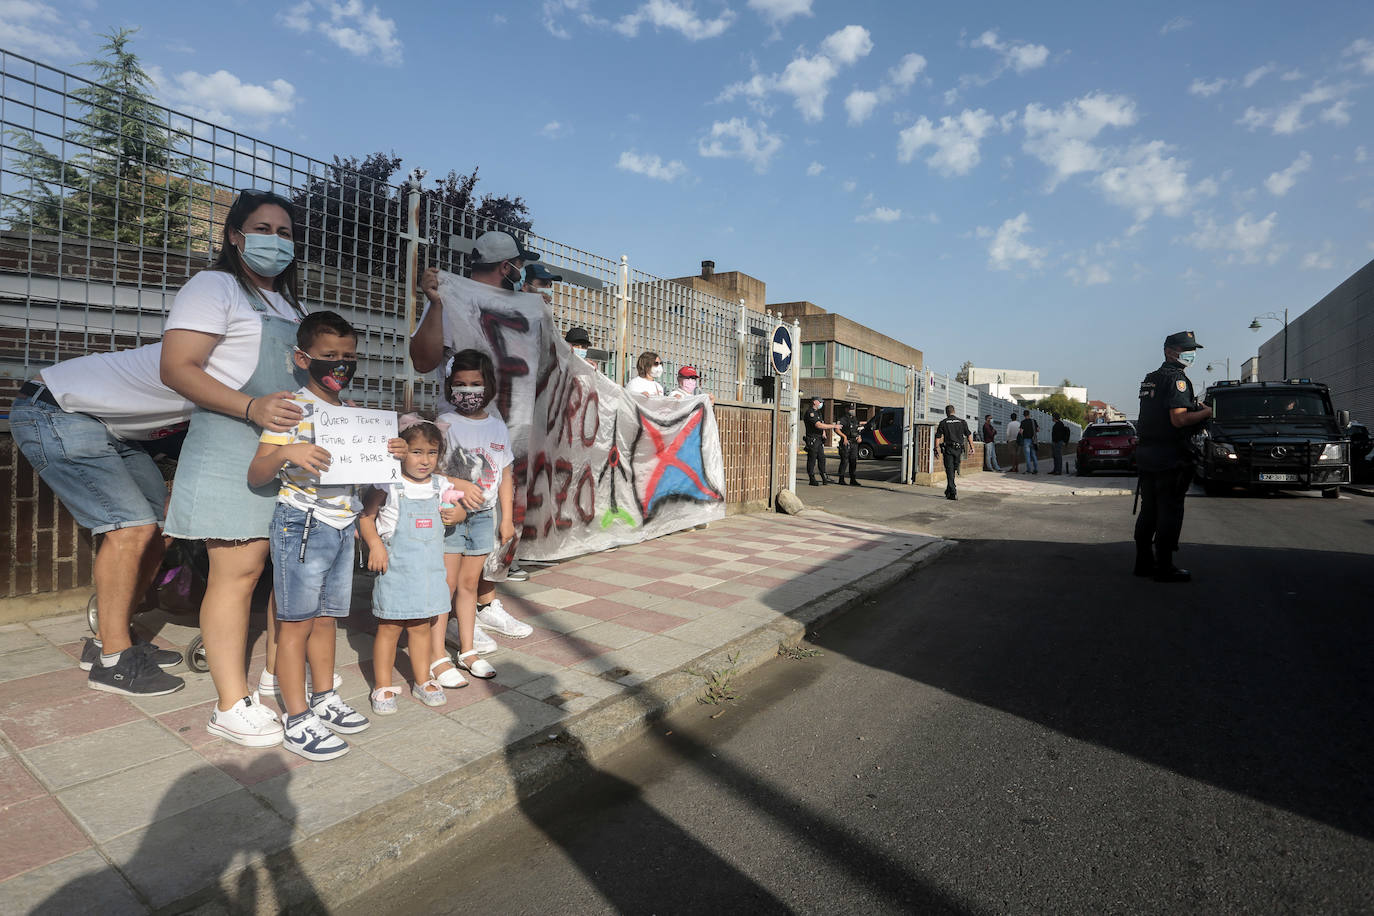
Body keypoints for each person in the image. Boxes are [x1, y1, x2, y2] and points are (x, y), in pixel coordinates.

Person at [160, 189, 313, 749]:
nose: (276, 240)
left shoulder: (293, 308)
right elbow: (177, 367)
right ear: (234, 235)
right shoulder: (215, 287)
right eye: (263, 228)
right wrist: (250, 406)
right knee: (240, 572)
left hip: (285, 450)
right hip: (229, 441)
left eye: (286, 231)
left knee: (286, 567)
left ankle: (276, 673)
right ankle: (229, 702)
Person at [9, 343, 188, 696]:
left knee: (158, 531)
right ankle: (115, 662)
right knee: (131, 528)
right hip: (56, 408)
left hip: (115, 429)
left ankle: (106, 639)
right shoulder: (221, 358)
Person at [246, 310, 371, 761]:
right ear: (303, 359)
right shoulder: (289, 410)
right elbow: (258, 472)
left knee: (327, 619)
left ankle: (324, 697)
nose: (340, 364)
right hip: (301, 524)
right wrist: (287, 453)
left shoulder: (356, 414)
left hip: (342, 525)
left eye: (349, 356)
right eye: (329, 356)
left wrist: (389, 450)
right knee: (295, 622)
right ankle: (296, 716)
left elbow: (372, 473)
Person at [411, 233, 536, 651]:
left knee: (491, 519)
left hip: (501, 426)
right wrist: (436, 302)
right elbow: (424, 360)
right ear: (508, 267)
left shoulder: (520, 309)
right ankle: (449, 617)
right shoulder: (452, 301)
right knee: (455, 522)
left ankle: (483, 603)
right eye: (519, 266)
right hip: (458, 437)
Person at [358, 417, 457, 711]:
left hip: (428, 572)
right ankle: (382, 685)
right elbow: (365, 517)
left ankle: (422, 679)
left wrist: (458, 515)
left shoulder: (442, 485)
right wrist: (375, 545)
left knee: (420, 627)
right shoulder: (389, 483)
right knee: (389, 628)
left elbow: (458, 509)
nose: (425, 460)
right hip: (396, 569)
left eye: (432, 452)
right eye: (416, 452)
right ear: (402, 451)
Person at [437, 350, 517, 680]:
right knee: (446, 584)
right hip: (451, 517)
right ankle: (436, 654)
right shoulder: (444, 423)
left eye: (476, 384)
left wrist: (507, 518)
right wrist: (456, 484)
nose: (468, 392)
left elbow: (506, 475)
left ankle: (467, 650)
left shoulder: (498, 428)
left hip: (484, 518)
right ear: (449, 387)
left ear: (489, 386)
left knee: (469, 584)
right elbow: (428, 470)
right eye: (460, 385)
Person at [1134, 330, 1212, 582]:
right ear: (1169, 351)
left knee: (1149, 510)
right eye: (1185, 349)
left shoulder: (1151, 378)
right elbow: (1178, 419)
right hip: (1170, 456)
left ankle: (1144, 562)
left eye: (1192, 350)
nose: (1191, 354)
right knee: (1169, 511)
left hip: (1147, 454)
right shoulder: (1178, 380)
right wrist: (1207, 412)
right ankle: (1164, 566)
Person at [933, 405, 973, 500]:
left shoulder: (943, 423)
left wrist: (936, 448)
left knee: (950, 470)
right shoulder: (962, 422)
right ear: (954, 411)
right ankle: (952, 491)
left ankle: (949, 490)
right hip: (958, 450)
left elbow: (938, 436)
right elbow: (969, 434)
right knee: (953, 470)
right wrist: (972, 447)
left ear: (946, 412)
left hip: (948, 450)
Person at [802, 396, 841, 486]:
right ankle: (812, 478)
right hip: (812, 439)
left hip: (819, 439)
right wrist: (833, 426)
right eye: (820, 402)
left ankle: (824, 477)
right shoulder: (810, 413)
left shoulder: (818, 412)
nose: (821, 404)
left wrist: (824, 433)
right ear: (815, 402)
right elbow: (818, 425)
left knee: (822, 459)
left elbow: (821, 424)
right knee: (812, 459)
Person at [835, 405, 861, 487]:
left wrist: (859, 437)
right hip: (846, 442)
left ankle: (853, 479)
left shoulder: (855, 419)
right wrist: (844, 437)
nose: (852, 411)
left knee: (853, 461)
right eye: (850, 409)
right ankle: (841, 479)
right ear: (846, 409)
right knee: (844, 461)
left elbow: (857, 430)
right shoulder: (843, 419)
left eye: (853, 409)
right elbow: (836, 429)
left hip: (854, 443)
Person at [1020, 409, 1039, 474]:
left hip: (1026, 440)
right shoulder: (1033, 421)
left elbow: (1021, 431)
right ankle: (1036, 469)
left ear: (1024, 415)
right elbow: (1038, 430)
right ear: (1029, 414)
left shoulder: (1023, 422)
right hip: (1033, 440)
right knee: (1033, 455)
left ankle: (1029, 470)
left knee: (1027, 455)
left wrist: (1022, 434)